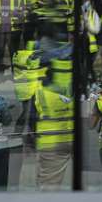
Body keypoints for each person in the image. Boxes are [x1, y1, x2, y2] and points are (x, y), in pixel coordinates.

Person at [31, 58, 74, 189]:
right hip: (70, 138)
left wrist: (33, 138)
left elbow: (33, 118)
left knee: (48, 185)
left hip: (50, 142)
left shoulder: (40, 93)